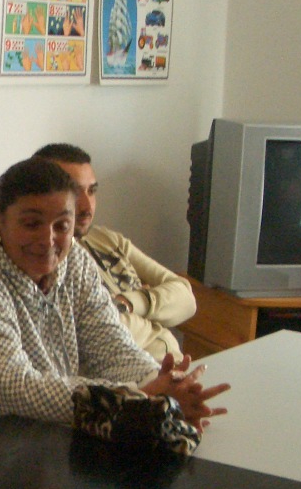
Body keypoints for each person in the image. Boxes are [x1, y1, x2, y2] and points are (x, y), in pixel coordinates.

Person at [0, 157, 227, 456]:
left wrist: (164, 384)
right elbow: (13, 387)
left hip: (17, 439)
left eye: (62, 225)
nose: (48, 240)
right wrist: (137, 400)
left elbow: (111, 345)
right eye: (31, 224)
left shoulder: (76, 261)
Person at [33, 143, 196, 361]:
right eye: (74, 192)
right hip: (135, 376)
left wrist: (128, 303)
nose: (87, 207)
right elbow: (96, 334)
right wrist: (154, 316)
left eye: (92, 191)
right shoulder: (43, 262)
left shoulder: (105, 239)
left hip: (178, 365)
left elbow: (186, 298)